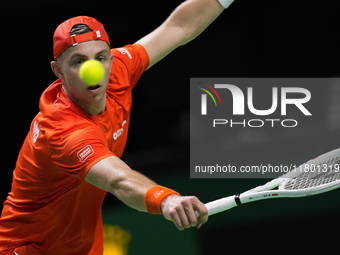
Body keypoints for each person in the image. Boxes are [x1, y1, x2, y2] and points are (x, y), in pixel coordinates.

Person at [0, 0, 234, 254]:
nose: (95, 70)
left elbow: (179, 27)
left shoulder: (118, 71)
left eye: (100, 57)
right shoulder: (62, 128)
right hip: (29, 247)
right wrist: (166, 199)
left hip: (83, 245)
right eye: (78, 62)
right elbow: (118, 180)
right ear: (58, 70)